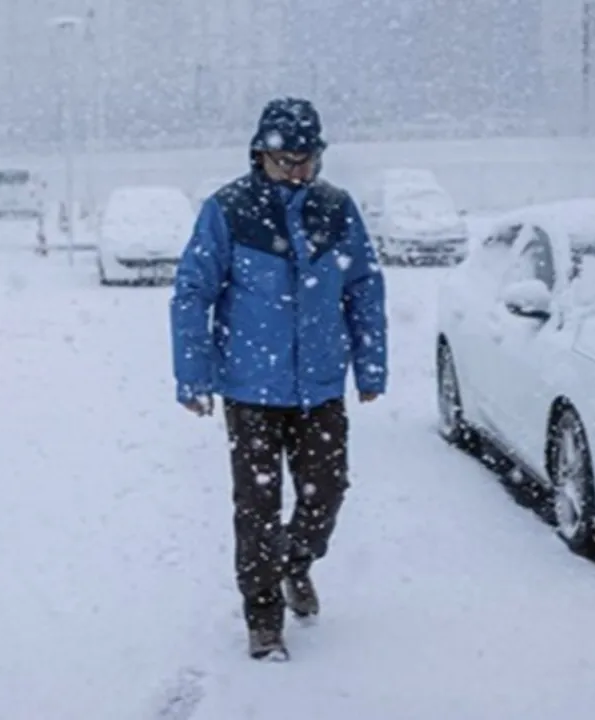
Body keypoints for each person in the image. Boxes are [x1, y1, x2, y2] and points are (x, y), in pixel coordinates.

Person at [169, 97, 388, 662]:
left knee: (327, 494)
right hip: (250, 390)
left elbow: (363, 287)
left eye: (306, 158)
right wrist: (194, 376)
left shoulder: (337, 209)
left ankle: (297, 563)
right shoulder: (228, 209)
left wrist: (369, 365)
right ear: (260, 154)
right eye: (285, 159)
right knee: (257, 506)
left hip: (319, 388)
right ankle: (263, 616)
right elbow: (194, 292)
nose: (297, 169)